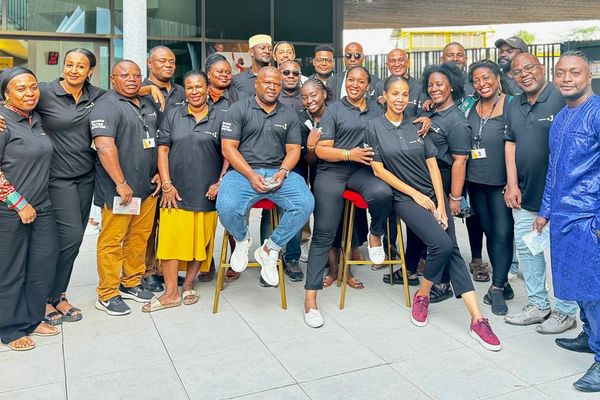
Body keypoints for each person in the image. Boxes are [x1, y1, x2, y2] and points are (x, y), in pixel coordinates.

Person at [367, 75, 501, 351]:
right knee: (440, 244)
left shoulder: (418, 124)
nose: (400, 99)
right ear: (385, 95)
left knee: (451, 251)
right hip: (403, 197)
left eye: (405, 94)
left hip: (430, 195)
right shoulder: (374, 127)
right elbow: (379, 170)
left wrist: (440, 203)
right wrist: (415, 195)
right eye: (395, 93)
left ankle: (477, 319)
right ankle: (425, 294)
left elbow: (432, 167)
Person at [303, 66, 393, 328]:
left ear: (368, 85)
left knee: (382, 193)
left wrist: (426, 120)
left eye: (360, 81)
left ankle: (375, 234)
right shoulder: (334, 110)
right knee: (323, 233)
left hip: (361, 172)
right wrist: (348, 154)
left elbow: (402, 119)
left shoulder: (378, 110)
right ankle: (310, 300)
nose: (355, 84)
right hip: (333, 171)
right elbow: (320, 150)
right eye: (351, 80)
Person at [534, 51, 600, 392]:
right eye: (560, 73)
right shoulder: (560, 118)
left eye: (574, 72)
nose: (567, 78)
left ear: (588, 75)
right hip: (563, 217)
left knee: (596, 290)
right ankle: (590, 337)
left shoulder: (598, 112)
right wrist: (545, 211)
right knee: (576, 286)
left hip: (590, 217)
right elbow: (554, 169)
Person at [217, 66, 314, 287]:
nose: (272, 87)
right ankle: (242, 239)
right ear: (256, 84)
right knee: (226, 206)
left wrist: (283, 172)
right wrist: (250, 175)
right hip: (242, 172)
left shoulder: (288, 112)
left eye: (276, 84)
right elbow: (228, 149)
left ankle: (270, 248)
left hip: (277, 171)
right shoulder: (238, 109)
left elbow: (293, 150)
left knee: (305, 202)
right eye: (267, 82)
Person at [503, 53, 578, 333]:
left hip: (561, 198)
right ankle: (538, 304)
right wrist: (512, 184)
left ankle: (567, 311)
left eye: (529, 68)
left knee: (561, 254)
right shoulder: (514, 104)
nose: (524, 74)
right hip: (525, 195)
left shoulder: (562, 99)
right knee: (527, 251)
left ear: (542, 68)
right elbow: (510, 143)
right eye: (517, 71)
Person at [143, 70, 225, 312]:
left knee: (200, 242)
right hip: (175, 191)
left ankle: (189, 284)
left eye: (199, 86)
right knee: (170, 242)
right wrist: (167, 184)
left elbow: (228, 153)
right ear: (185, 91)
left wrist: (220, 181)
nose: (195, 91)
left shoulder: (220, 116)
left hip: (207, 191)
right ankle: (170, 293)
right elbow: (163, 151)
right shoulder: (173, 114)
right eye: (190, 87)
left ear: (207, 87)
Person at [35, 48, 104, 325]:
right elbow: (13, 93)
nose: (73, 70)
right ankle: (42, 298)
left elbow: (125, 91)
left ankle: (59, 295)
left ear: (90, 72)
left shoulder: (97, 96)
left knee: (72, 243)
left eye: (80, 66)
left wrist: (149, 88)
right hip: (56, 178)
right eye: (69, 64)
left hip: (85, 177)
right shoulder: (44, 92)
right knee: (71, 236)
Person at [395, 62, 472, 303]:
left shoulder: (457, 121)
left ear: (452, 87)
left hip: (444, 179)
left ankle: (444, 282)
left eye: (440, 85)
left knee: (445, 234)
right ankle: (413, 268)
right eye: (430, 85)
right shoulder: (432, 111)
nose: (434, 89)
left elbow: (460, 162)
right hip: (424, 178)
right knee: (423, 230)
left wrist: (454, 198)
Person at [90, 60, 160, 316]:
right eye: (124, 75)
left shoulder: (146, 104)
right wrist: (121, 183)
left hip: (147, 187)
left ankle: (130, 281)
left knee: (139, 237)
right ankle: (107, 293)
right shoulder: (105, 106)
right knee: (112, 240)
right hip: (121, 190)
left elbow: (160, 141)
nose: (131, 79)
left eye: (136, 75)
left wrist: (161, 176)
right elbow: (105, 146)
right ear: (112, 78)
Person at [0, 67, 60, 351]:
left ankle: (33, 318)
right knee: (10, 269)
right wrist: (18, 202)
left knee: (42, 265)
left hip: (42, 205)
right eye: (21, 88)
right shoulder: (3, 122)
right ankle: (10, 328)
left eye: (33, 87)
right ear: (6, 94)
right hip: (10, 210)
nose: (29, 93)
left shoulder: (34, 119)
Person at [466, 60, 515, 316]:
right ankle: (503, 282)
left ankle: (496, 287)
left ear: (497, 78)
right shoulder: (470, 106)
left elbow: (519, 142)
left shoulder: (511, 104)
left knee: (503, 232)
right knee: (489, 231)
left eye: (486, 78)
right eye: (477, 80)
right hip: (475, 180)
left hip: (501, 182)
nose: (482, 84)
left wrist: (513, 181)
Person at [142, 45, 185, 292]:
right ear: (150, 62)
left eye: (171, 61)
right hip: (147, 165)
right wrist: (147, 88)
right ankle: (147, 271)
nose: (168, 65)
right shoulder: (140, 88)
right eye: (162, 61)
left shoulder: (181, 91)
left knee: (169, 223)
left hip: (173, 166)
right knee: (147, 226)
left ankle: (164, 268)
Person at [201, 53, 248, 283]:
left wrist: (223, 178)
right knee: (204, 213)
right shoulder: (199, 94)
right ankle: (205, 261)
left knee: (230, 211)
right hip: (203, 159)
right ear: (208, 74)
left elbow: (235, 143)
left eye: (227, 71)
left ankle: (234, 258)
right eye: (219, 71)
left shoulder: (239, 99)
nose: (224, 74)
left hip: (230, 160)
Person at [373, 48, 426, 116]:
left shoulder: (419, 87)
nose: (397, 64)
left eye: (401, 60)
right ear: (387, 65)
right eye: (393, 61)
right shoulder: (379, 86)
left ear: (407, 63)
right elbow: (374, 114)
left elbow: (422, 116)